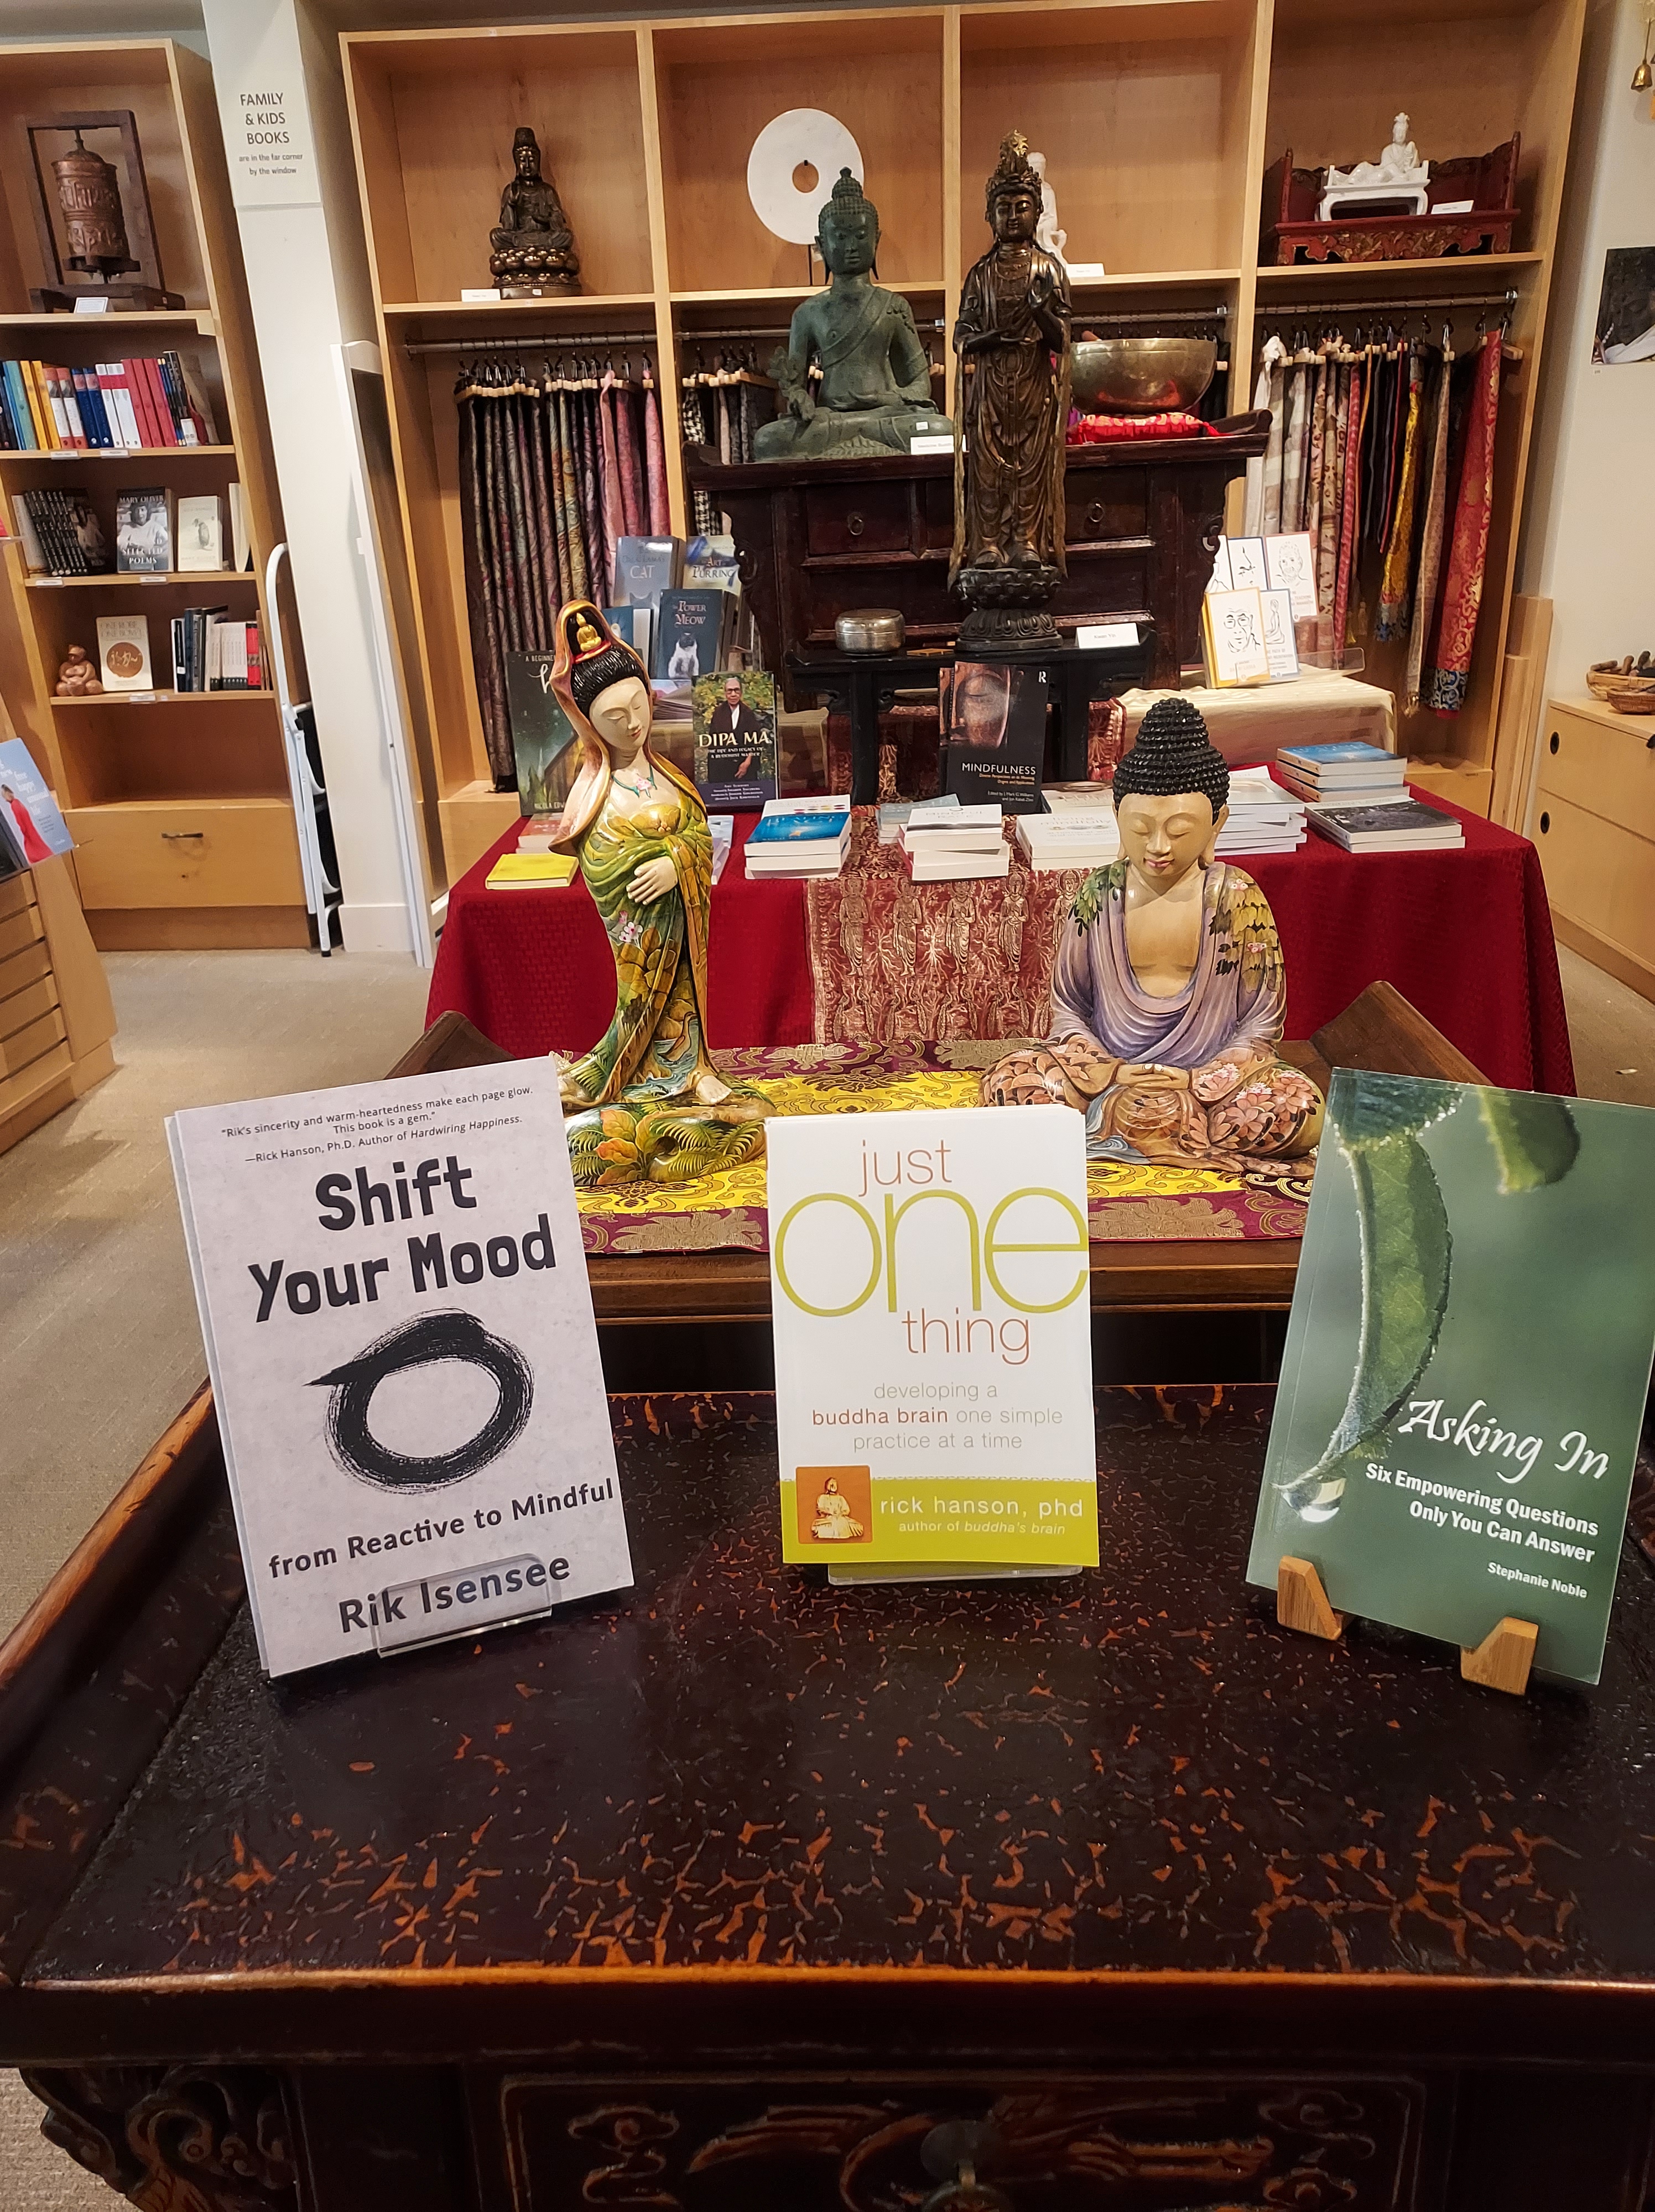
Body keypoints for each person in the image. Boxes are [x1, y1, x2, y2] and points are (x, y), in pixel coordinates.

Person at [982, 698, 1323, 1170]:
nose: (1158, 848)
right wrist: (1112, 1071)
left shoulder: (1237, 898)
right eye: (1141, 829)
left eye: (1180, 831)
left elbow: (1260, 1023)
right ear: (1117, 817)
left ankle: (1130, 1126)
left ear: (1216, 824)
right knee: (1010, 1082)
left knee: (1298, 1108)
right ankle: (1156, 1125)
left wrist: (1197, 1080)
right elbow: (1070, 1007)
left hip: (1208, 1084)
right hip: (1111, 1073)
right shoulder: (1100, 893)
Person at [547, 603, 771, 1186]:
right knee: (646, 996)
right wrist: (643, 870)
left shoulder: (670, 777)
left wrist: (677, 862)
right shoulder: (596, 795)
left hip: (682, 916)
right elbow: (601, 863)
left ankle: (694, 1070)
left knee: (687, 995)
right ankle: (638, 1078)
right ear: (589, 722)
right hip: (641, 930)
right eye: (614, 716)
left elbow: (699, 834)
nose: (632, 724)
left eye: (639, 706)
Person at [754, 168, 950, 460]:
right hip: (830, 420)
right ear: (822, 244)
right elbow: (795, 384)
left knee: (939, 429)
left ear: (876, 240)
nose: (850, 247)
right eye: (840, 237)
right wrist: (797, 398)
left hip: (886, 417)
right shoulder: (808, 314)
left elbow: (920, 384)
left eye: (860, 236)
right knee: (768, 440)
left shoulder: (894, 306)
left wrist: (890, 398)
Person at [952, 132, 1071, 579]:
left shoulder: (1049, 270)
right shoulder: (980, 274)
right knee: (987, 468)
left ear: (1037, 213)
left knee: (1030, 468)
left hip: (1033, 388)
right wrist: (988, 338)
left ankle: (1027, 541)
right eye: (1004, 208)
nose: (1014, 216)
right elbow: (960, 336)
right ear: (990, 216)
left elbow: (1063, 339)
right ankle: (986, 543)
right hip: (989, 391)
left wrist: (1040, 312)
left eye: (1022, 207)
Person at [2, 783, 51, 865]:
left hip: (27, 830)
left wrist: (23, 830)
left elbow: (19, 820)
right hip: (30, 828)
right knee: (37, 843)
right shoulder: (18, 802)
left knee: (31, 848)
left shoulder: (14, 805)